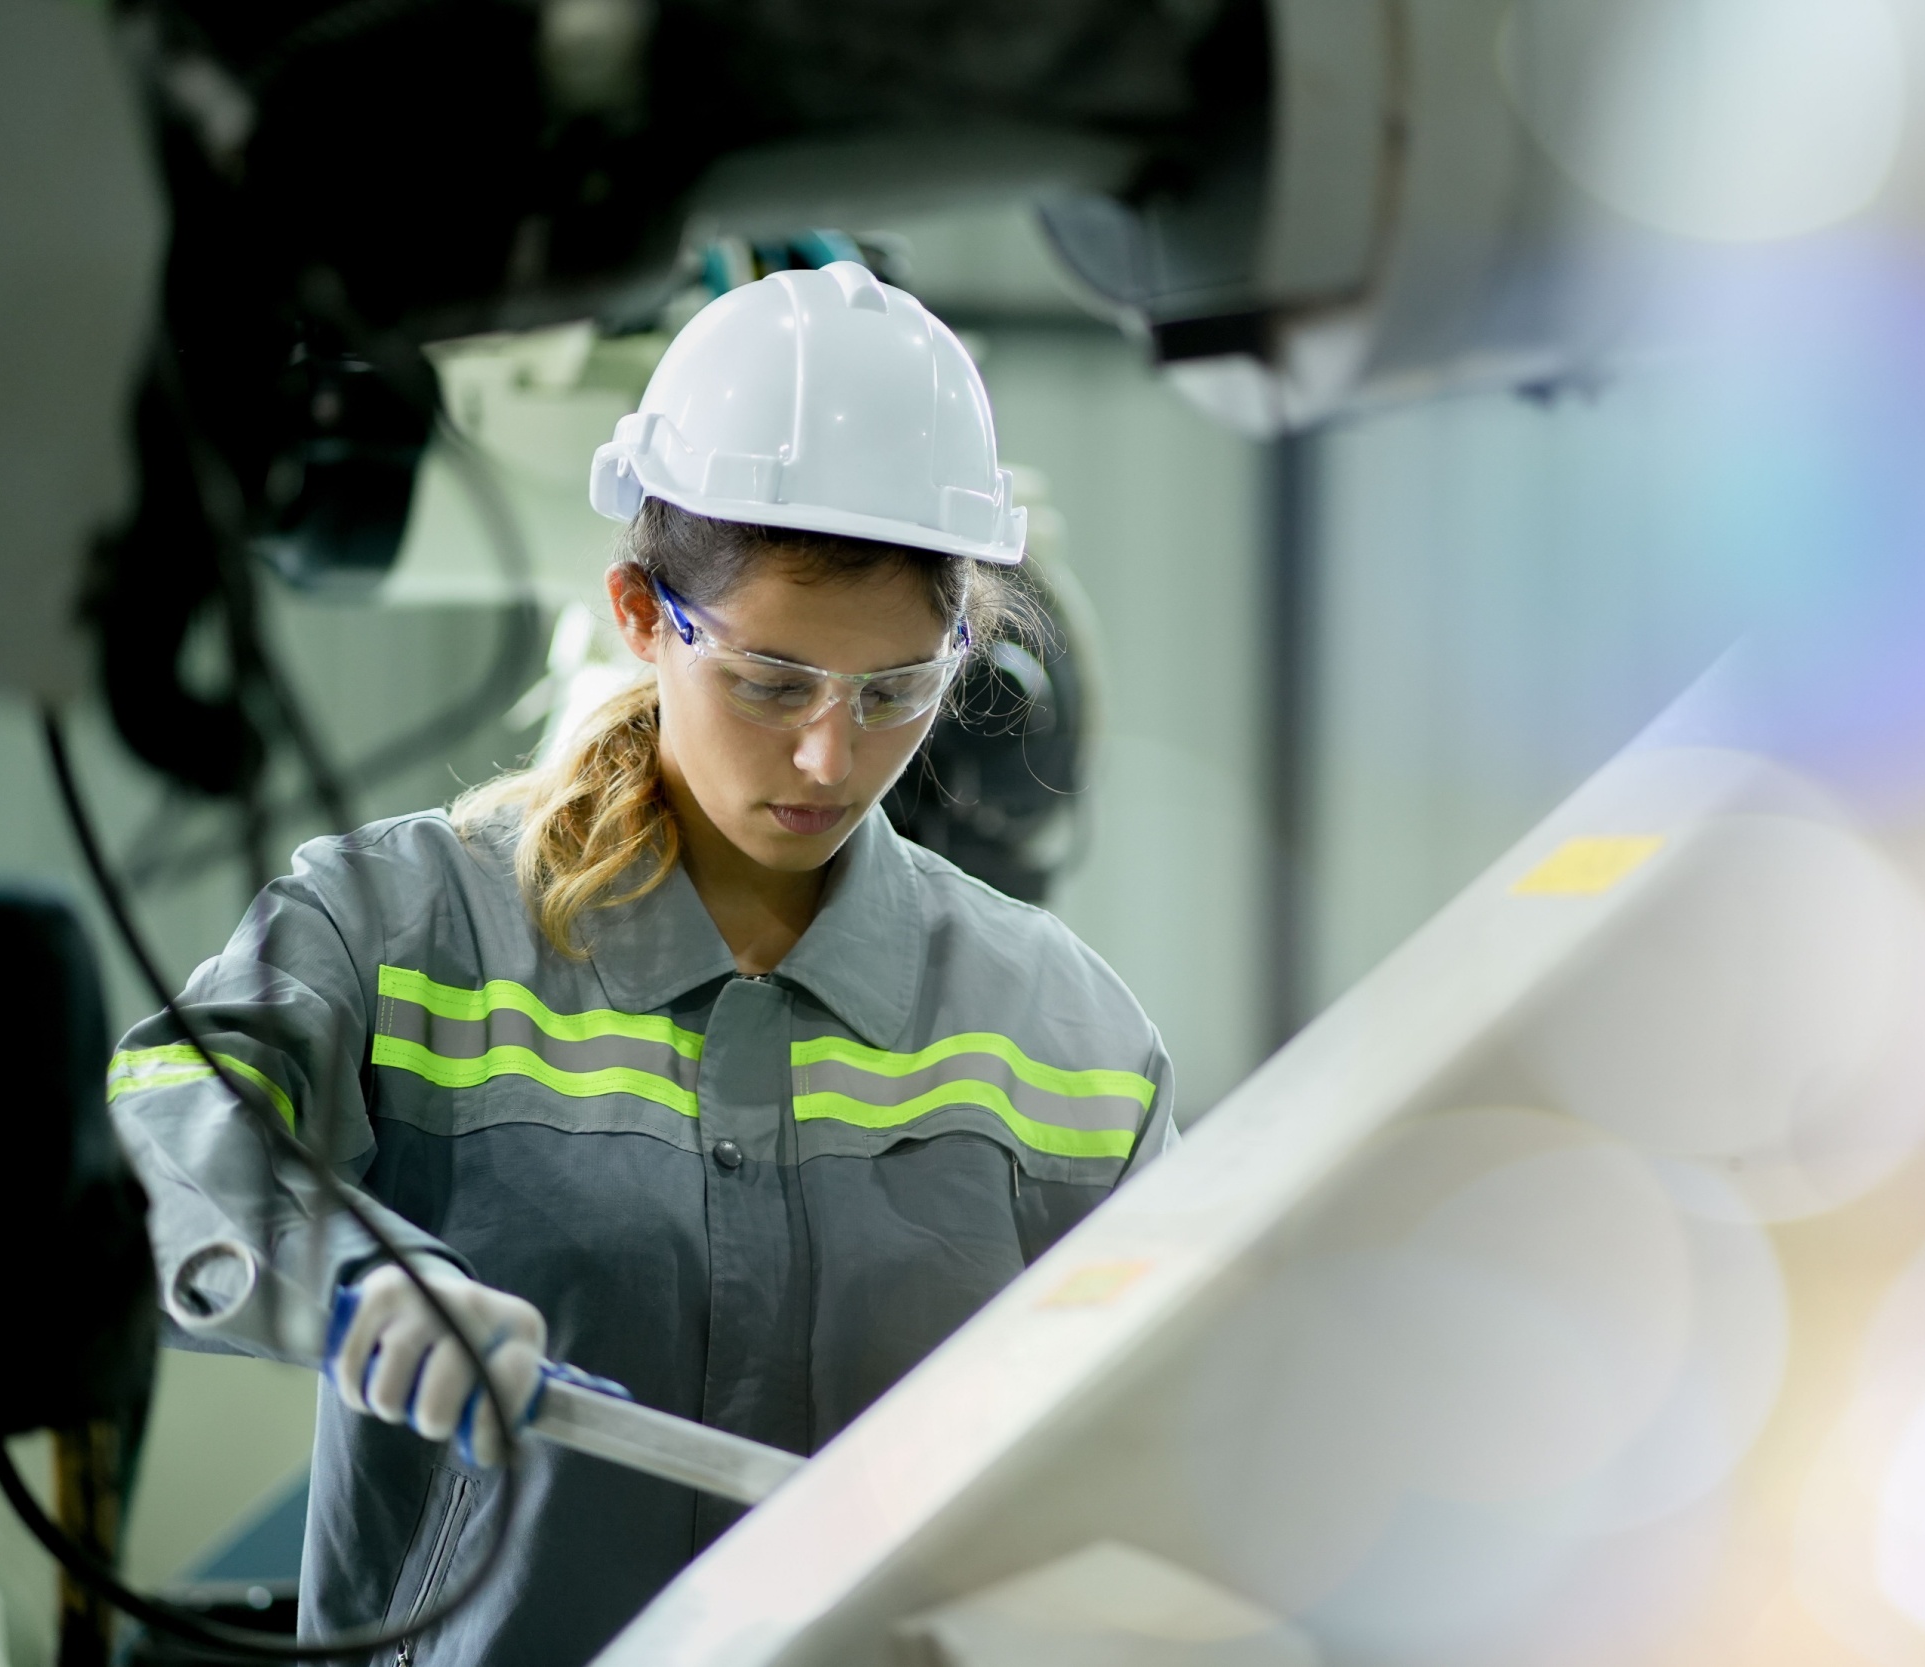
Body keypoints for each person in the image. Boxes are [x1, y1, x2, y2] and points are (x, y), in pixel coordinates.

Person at [104, 260, 1177, 1666]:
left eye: (895, 694)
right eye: (772, 682)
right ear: (637, 611)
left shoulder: (1069, 1039)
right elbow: (162, 1130)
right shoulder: (404, 922)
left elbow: (1174, 1434)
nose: (827, 757)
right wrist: (360, 1281)